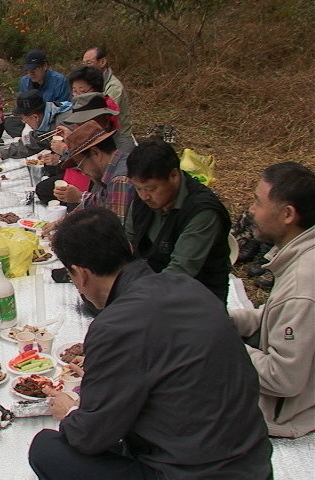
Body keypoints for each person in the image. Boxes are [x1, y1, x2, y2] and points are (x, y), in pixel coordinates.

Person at [28, 207, 272, 480]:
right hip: (252, 461)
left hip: (191, 471)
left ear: (80, 274)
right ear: (128, 247)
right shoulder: (186, 285)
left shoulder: (115, 326)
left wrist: (71, 411)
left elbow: (90, 438)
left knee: (46, 448)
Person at [229, 161, 315, 438]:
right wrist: (219, 319)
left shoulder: (303, 284)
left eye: (257, 202)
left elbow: (283, 378)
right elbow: (273, 317)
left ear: (288, 214)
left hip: (286, 412)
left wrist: (219, 340)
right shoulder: (300, 257)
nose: (251, 211)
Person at [124, 140, 231, 303]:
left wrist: (135, 298)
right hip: (149, 286)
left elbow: (180, 271)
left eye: (151, 189)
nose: (144, 196)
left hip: (195, 299)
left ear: (174, 176)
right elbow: (128, 243)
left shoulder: (202, 212)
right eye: (138, 188)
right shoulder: (143, 199)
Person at [42, 121, 134, 236]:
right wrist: (62, 223)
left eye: (80, 165)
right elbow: (99, 201)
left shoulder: (120, 180)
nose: (84, 173)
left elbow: (114, 233)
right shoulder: (117, 164)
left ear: (96, 152)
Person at [0, 89, 71, 161]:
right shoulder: (44, 123)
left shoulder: (65, 123)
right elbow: (30, 144)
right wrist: (1, 153)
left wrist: (60, 157)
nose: (24, 123)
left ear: (35, 117)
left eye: (23, 119)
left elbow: (81, 154)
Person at [4, 49, 70, 137]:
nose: (31, 73)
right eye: (28, 70)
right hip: (30, 119)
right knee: (10, 123)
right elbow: (21, 108)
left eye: (35, 69)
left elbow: (63, 108)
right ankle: (32, 137)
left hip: (51, 120)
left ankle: (36, 137)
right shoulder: (24, 81)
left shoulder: (59, 81)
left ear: (45, 66)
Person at [82, 47, 133, 137]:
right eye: (84, 64)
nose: (85, 68)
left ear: (102, 62)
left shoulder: (114, 87)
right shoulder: (89, 82)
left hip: (118, 135)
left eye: (89, 63)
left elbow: (107, 117)